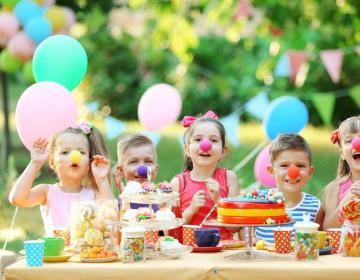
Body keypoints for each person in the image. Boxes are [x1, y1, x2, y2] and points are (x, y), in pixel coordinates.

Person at [9, 123, 114, 236]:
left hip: (85, 253)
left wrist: (102, 180)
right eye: (65, 152)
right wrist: (35, 163)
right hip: (56, 253)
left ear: (89, 163)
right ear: (52, 162)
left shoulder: (93, 194)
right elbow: (17, 199)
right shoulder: (46, 192)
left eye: (81, 152)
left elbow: (111, 216)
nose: (74, 156)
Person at [170, 111, 239, 239]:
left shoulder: (229, 178)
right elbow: (171, 229)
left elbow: (234, 228)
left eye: (213, 140)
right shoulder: (178, 183)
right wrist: (191, 209)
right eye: (198, 139)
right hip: (190, 252)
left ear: (223, 151)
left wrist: (218, 200)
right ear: (187, 150)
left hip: (222, 252)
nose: (205, 145)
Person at [255, 133, 324, 243]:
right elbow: (243, 230)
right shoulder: (257, 201)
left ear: (310, 172)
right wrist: (251, 240)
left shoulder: (316, 207)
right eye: (284, 165)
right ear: (271, 171)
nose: (293, 172)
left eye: (300, 165)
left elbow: (319, 243)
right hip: (263, 260)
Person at [323, 116, 360, 229]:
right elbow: (328, 229)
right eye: (349, 141)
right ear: (342, 154)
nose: (356, 143)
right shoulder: (335, 189)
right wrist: (348, 199)